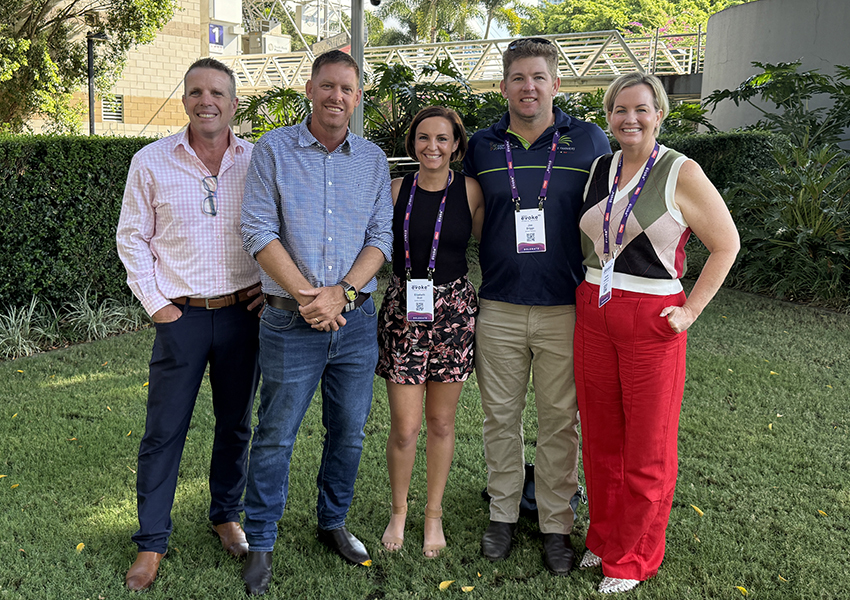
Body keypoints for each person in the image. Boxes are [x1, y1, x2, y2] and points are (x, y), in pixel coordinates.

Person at [574, 72, 740, 594]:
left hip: (652, 318)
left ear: (660, 113)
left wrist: (690, 312)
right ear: (609, 116)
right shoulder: (599, 168)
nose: (630, 119)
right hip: (594, 309)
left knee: (648, 445)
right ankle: (602, 540)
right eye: (620, 109)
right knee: (601, 439)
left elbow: (726, 244)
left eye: (641, 109)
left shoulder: (679, 171)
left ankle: (633, 557)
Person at [239, 50, 393, 596]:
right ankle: (260, 540)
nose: (336, 97)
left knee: (348, 433)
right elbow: (257, 229)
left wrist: (342, 296)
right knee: (277, 436)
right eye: (327, 86)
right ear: (310, 88)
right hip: (289, 323)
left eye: (346, 89)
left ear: (357, 97)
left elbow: (381, 238)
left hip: (354, 324)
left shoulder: (373, 159)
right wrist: (312, 299)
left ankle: (333, 523)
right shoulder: (274, 150)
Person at [462, 37, 610, 574]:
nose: (529, 88)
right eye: (518, 78)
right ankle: (502, 514)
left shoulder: (589, 140)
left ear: (556, 84)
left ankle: (555, 524)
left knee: (558, 422)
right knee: (499, 417)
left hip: (565, 305)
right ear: (503, 86)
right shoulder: (481, 144)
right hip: (498, 305)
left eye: (539, 78)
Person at [116, 58, 262, 591]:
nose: (207, 101)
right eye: (197, 92)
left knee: (235, 424)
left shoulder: (256, 160)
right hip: (181, 317)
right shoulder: (151, 161)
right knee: (163, 432)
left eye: (218, 92)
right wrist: (157, 305)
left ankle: (226, 515)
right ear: (184, 100)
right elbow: (132, 237)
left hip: (243, 316)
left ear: (234, 102)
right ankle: (151, 542)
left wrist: (268, 291)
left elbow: (278, 226)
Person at [376, 106, 484, 558]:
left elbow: (483, 242)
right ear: (412, 143)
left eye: (443, 138)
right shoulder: (396, 188)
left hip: (454, 312)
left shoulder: (471, 190)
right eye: (423, 138)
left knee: (441, 422)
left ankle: (433, 516)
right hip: (404, 309)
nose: (432, 147)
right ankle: (399, 511)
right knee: (405, 426)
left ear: (457, 144)